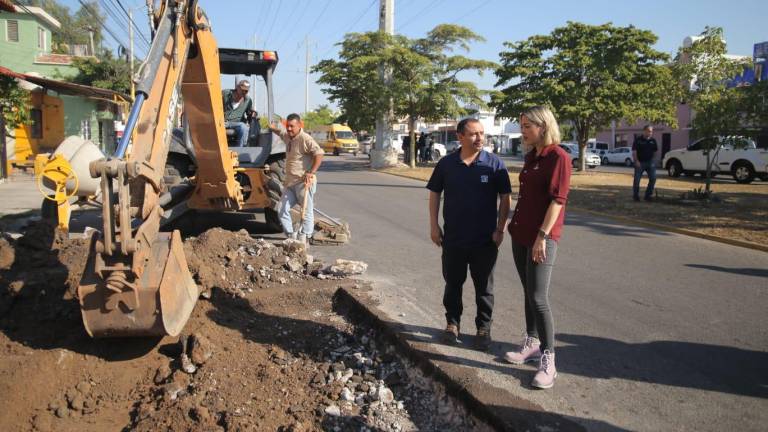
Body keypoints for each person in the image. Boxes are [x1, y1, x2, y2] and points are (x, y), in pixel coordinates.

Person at [426, 118, 511, 351]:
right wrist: (434, 226)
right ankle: (452, 324)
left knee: (484, 288)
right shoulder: (446, 164)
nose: (480, 138)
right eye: (474, 134)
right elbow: (434, 193)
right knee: (453, 284)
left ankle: (483, 329)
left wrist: (500, 229)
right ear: (460, 137)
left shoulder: (494, 164)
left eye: (482, 133)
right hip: (453, 239)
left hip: (485, 240)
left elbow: (505, 197)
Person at [504, 106, 571, 390]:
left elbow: (558, 200)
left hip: (541, 237)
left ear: (543, 126)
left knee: (538, 297)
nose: (523, 131)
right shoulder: (532, 156)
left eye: (527, 126)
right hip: (520, 233)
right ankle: (531, 342)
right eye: (521, 126)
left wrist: (542, 236)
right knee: (528, 292)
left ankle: (549, 360)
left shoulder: (558, 157)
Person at [268, 114, 324, 244]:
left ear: (300, 125)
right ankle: (290, 235)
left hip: (303, 182)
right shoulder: (287, 136)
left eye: (292, 126)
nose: (289, 129)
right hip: (290, 183)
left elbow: (319, 153)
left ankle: (306, 236)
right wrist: (272, 128)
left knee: (307, 211)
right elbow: (280, 132)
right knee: (281, 208)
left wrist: (311, 172)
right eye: (287, 126)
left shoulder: (305, 138)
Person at [222, 80, 254, 147]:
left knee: (244, 127)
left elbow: (249, 114)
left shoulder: (248, 100)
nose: (244, 92)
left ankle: (240, 150)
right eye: (243, 90)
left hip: (236, 123)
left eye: (246, 91)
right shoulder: (225, 94)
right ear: (237, 87)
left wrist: (253, 115)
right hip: (221, 122)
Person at [632, 125, 658, 201]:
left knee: (653, 178)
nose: (650, 133)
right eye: (649, 131)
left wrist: (653, 161)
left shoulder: (653, 141)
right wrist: (636, 161)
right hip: (640, 162)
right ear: (644, 131)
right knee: (637, 180)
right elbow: (634, 152)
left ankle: (648, 195)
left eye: (651, 131)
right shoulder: (638, 140)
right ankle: (635, 196)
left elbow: (655, 151)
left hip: (650, 163)